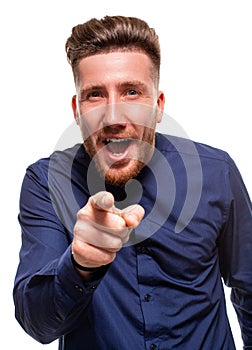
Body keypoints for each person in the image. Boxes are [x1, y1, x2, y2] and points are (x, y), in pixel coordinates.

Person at [13, 15, 252, 350]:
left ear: (158, 106)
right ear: (77, 109)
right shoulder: (46, 182)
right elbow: (37, 325)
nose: (113, 118)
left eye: (131, 92)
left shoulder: (216, 173)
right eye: (95, 95)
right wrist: (80, 264)